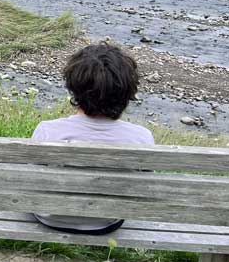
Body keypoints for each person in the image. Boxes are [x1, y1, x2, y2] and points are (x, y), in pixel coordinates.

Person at [31, 43, 154, 234]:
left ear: (73, 88)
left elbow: (33, 180)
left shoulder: (48, 131)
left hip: (50, 216)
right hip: (106, 221)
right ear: (128, 94)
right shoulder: (141, 137)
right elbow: (143, 187)